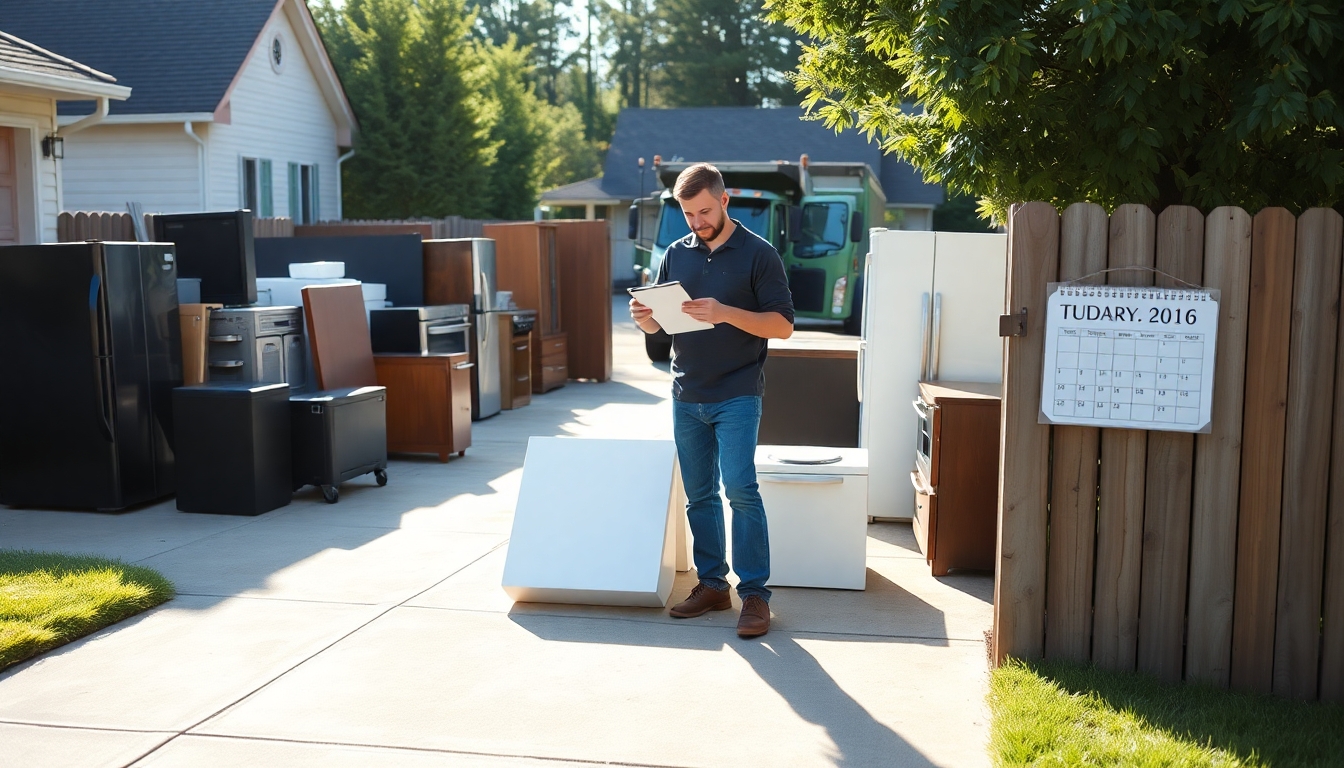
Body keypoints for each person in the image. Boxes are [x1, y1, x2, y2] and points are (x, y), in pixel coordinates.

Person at [629, 163, 794, 638]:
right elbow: (661, 325)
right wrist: (645, 319)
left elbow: (782, 326)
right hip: (687, 392)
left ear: (724, 201)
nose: (696, 222)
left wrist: (724, 312)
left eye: (704, 211)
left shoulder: (760, 254)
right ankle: (713, 585)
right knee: (699, 495)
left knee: (740, 489)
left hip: (737, 391)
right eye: (688, 214)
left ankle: (755, 595)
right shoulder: (675, 254)